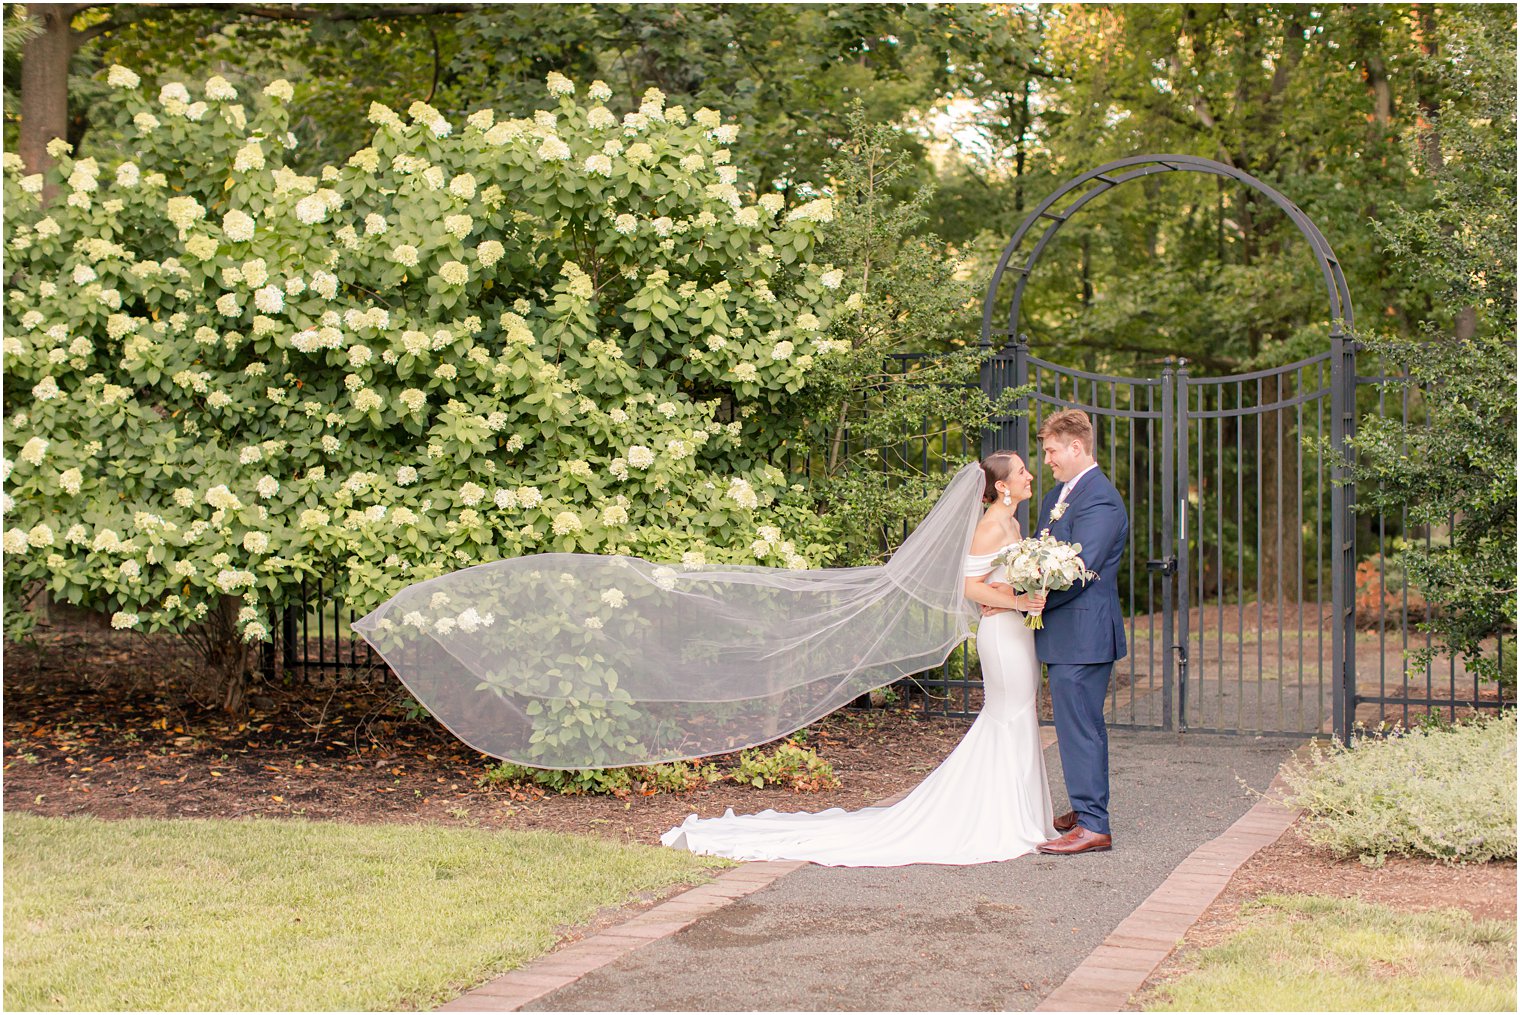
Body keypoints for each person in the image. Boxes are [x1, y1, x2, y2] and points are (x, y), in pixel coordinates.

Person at [660, 452, 1057, 866]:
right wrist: (1017, 601)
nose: (1031, 475)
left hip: (1016, 631)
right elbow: (966, 587)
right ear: (1002, 487)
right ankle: (1000, 820)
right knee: (1007, 714)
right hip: (1002, 636)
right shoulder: (991, 527)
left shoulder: (1011, 523)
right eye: (1022, 472)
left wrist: (1020, 599)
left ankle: (1017, 814)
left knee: (1019, 712)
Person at [1028, 409, 1130, 856]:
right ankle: (1085, 810)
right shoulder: (1060, 494)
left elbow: (1077, 569)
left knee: (1081, 727)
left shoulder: (1101, 499)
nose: (1047, 459)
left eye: (1051, 450)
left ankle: (1093, 824)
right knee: (1073, 725)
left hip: (1085, 634)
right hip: (1065, 632)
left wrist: (1033, 599)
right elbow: (1040, 553)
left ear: (1076, 446)